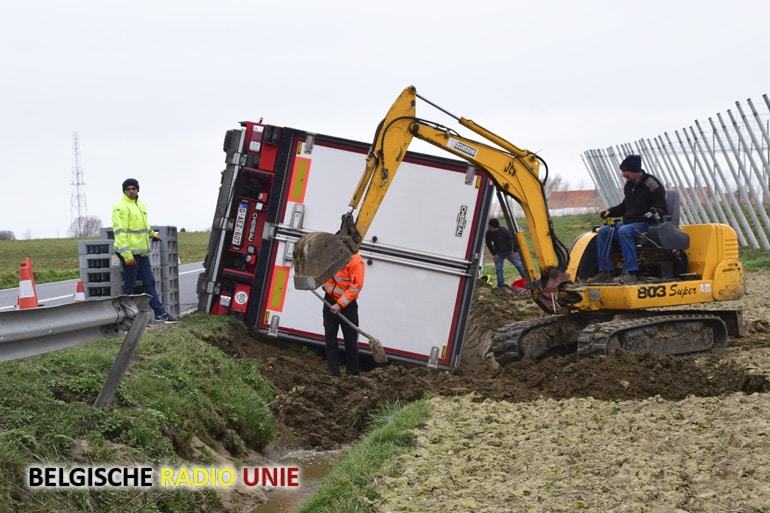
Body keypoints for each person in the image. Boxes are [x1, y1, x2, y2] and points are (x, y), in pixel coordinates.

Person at [588, 154, 667, 284]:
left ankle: (631, 272)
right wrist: (610, 211)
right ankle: (605, 271)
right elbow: (625, 206)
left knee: (624, 231)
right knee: (604, 231)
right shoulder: (629, 186)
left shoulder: (652, 184)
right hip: (630, 223)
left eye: (626, 171)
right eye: (622, 171)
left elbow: (661, 207)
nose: (623, 175)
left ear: (636, 170)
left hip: (647, 224)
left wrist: (652, 213)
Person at [112, 178, 177, 323]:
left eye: (133, 189)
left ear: (138, 190)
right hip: (129, 253)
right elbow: (120, 232)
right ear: (124, 191)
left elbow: (143, 226)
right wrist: (127, 254)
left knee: (149, 283)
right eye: (128, 189)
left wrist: (152, 234)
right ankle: (126, 317)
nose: (131, 191)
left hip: (141, 253)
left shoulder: (140, 205)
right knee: (130, 284)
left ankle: (160, 313)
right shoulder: (120, 207)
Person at [322, 237, 365, 376]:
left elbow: (356, 287)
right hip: (329, 300)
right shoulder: (334, 257)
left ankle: (352, 374)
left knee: (351, 341)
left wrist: (340, 304)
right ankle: (333, 372)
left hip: (348, 306)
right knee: (330, 338)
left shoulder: (356, 262)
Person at [485, 218, 527, 288]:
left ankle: (526, 281)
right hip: (499, 252)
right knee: (499, 268)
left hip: (510, 251)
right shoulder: (489, 233)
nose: (488, 227)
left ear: (494, 227)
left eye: (490, 226)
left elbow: (514, 240)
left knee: (519, 265)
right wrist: (494, 254)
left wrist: (514, 251)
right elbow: (488, 243)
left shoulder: (504, 231)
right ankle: (501, 285)